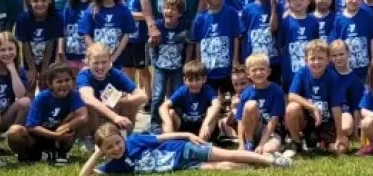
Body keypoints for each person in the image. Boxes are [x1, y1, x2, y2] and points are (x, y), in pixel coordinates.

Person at [81, 122, 292, 174]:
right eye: (110, 148)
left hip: (183, 149)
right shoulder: (113, 166)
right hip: (181, 165)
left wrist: (187, 134)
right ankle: (258, 165)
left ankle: (272, 160)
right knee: (225, 167)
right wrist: (99, 151)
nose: (117, 148)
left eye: (118, 142)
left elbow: (163, 136)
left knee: (227, 153)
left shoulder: (134, 141)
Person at [11, 63, 89, 165]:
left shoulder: (73, 95)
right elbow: (31, 126)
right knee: (14, 131)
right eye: (59, 81)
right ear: (50, 84)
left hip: (61, 135)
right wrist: (55, 135)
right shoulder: (42, 97)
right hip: (39, 137)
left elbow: (84, 116)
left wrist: (65, 127)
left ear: (73, 81)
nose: (64, 84)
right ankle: (28, 156)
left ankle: (62, 152)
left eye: (67, 80)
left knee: (81, 115)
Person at [286, 39, 347, 154]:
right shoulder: (302, 73)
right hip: (307, 122)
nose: (316, 62)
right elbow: (291, 95)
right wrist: (313, 107)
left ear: (328, 60)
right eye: (312, 58)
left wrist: (340, 135)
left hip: (326, 123)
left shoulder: (333, 78)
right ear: (306, 61)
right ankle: (297, 142)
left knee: (341, 150)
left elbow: (336, 108)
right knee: (292, 108)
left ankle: (318, 144)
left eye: (320, 58)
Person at [78, 42, 149, 134]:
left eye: (104, 62)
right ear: (88, 62)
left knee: (132, 103)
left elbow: (143, 97)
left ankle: (125, 135)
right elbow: (88, 99)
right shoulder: (84, 75)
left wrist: (119, 100)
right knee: (90, 106)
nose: (100, 66)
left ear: (110, 60)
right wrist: (115, 117)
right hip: (93, 118)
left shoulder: (114, 73)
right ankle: (91, 139)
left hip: (110, 111)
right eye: (96, 63)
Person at [191, 0, 242, 97]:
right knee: (211, 101)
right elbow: (197, 42)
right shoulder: (200, 18)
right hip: (208, 70)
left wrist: (235, 60)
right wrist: (199, 62)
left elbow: (236, 37)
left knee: (230, 100)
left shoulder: (231, 13)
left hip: (227, 69)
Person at [232, 53, 286, 155]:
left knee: (267, 150)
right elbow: (240, 121)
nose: (258, 73)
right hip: (252, 132)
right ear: (248, 73)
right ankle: (250, 143)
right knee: (250, 105)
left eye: (262, 69)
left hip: (271, 133)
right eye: (254, 70)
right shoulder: (246, 93)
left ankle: (269, 147)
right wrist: (241, 144)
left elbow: (274, 120)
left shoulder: (276, 90)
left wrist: (261, 144)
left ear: (268, 71)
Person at [82, 0, 138, 69]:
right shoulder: (92, 10)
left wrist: (115, 56)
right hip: (96, 60)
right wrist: (96, 53)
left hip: (116, 60)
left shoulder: (123, 10)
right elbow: (86, 34)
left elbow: (126, 34)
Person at [150, 0, 192, 118]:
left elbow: (189, 45)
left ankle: (177, 120)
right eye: (166, 8)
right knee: (158, 94)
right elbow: (150, 44)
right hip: (160, 66)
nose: (169, 11)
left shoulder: (184, 26)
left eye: (173, 9)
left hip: (177, 67)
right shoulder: (158, 25)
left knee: (177, 95)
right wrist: (153, 61)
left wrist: (187, 63)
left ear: (179, 14)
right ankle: (155, 122)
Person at [0, 32, 32, 132]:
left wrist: (13, 70)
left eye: (11, 49)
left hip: (6, 115)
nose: (7, 53)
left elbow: (20, 95)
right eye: (2, 50)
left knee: (26, 102)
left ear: (16, 50)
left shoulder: (19, 71)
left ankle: (12, 133)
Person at [160, 60, 220, 141]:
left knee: (212, 110)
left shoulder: (207, 90)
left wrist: (206, 123)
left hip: (202, 127)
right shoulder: (182, 90)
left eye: (197, 79)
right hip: (185, 126)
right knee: (170, 113)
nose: (194, 84)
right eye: (190, 80)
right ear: (184, 81)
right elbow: (163, 106)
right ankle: (170, 143)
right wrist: (168, 122)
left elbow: (217, 104)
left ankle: (200, 143)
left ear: (204, 79)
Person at [16, 0, 64, 81]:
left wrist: (45, 69)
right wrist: (32, 69)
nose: (40, 4)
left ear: (50, 0)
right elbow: (25, 44)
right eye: (35, 1)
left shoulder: (56, 17)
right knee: (30, 83)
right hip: (30, 57)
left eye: (44, 0)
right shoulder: (23, 19)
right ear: (29, 1)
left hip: (49, 58)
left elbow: (51, 43)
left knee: (45, 82)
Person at [63, 0, 97, 69]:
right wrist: (62, 51)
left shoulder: (97, 4)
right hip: (71, 54)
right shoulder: (70, 5)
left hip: (90, 56)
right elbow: (63, 30)